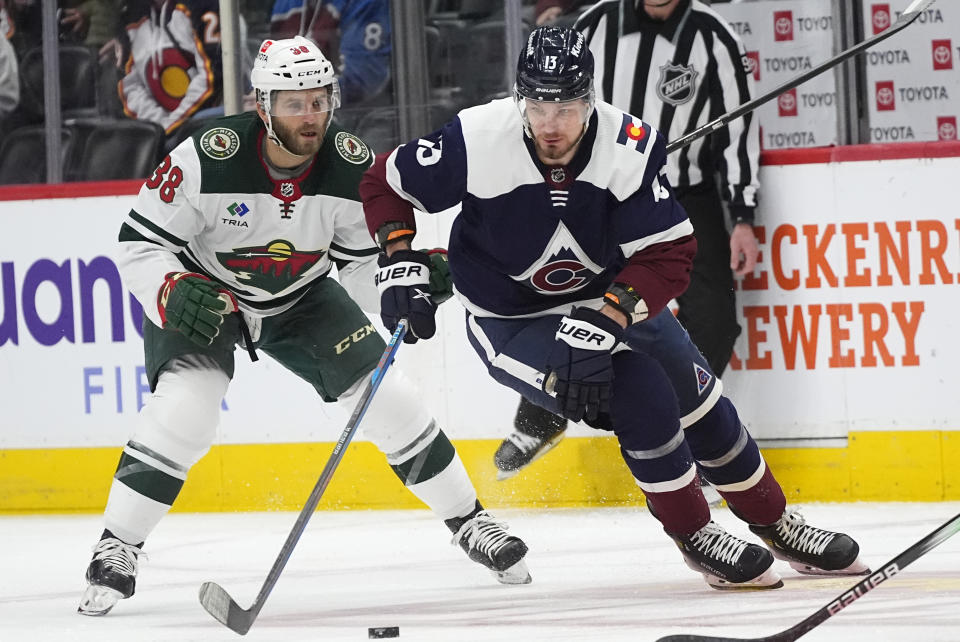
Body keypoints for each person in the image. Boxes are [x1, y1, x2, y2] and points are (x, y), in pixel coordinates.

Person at [360, 25, 867, 590]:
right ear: (517, 97)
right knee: (639, 392)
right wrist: (400, 258)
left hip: (606, 300)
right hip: (513, 319)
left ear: (591, 97)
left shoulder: (628, 147)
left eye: (568, 107)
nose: (552, 124)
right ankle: (695, 534)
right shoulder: (477, 136)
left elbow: (669, 251)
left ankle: (774, 521)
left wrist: (613, 313)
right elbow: (386, 180)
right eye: (538, 106)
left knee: (699, 396)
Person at [77, 35, 531, 617]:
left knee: (385, 397)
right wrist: (170, 288)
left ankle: (472, 521)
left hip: (302, 298)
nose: (309, 115)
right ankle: (118, 544)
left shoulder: (353, 167)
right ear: (262, 105)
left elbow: (364, 267)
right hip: (205, 293)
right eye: (294, 103)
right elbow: (139, 243)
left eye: (319, 100)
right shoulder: (205, 155)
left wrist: (406, 279)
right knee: (188, 405)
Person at [494, 0, 762, 478]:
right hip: (603, 192)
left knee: (713, 317)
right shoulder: (594, 24)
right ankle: (542, 414)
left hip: (686, 195)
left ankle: (690, 437)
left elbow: (739, 129)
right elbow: (545, 107)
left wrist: (743, 213)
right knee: (568, 295)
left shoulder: (713, 36)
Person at [113, 0, 245, 137]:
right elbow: (129, 85)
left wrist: (171, 125)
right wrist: (159, 125)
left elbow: (214, 76)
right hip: (158, 132)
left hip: (206, 124)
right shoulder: (129, 16)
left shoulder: (205, 6)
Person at [270, 0, 391, 106]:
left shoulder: (368, 3)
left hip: (361, 118)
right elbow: (273, 66)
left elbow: (363, 79)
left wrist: (291, 97)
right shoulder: (286, 3)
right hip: (298, 113)